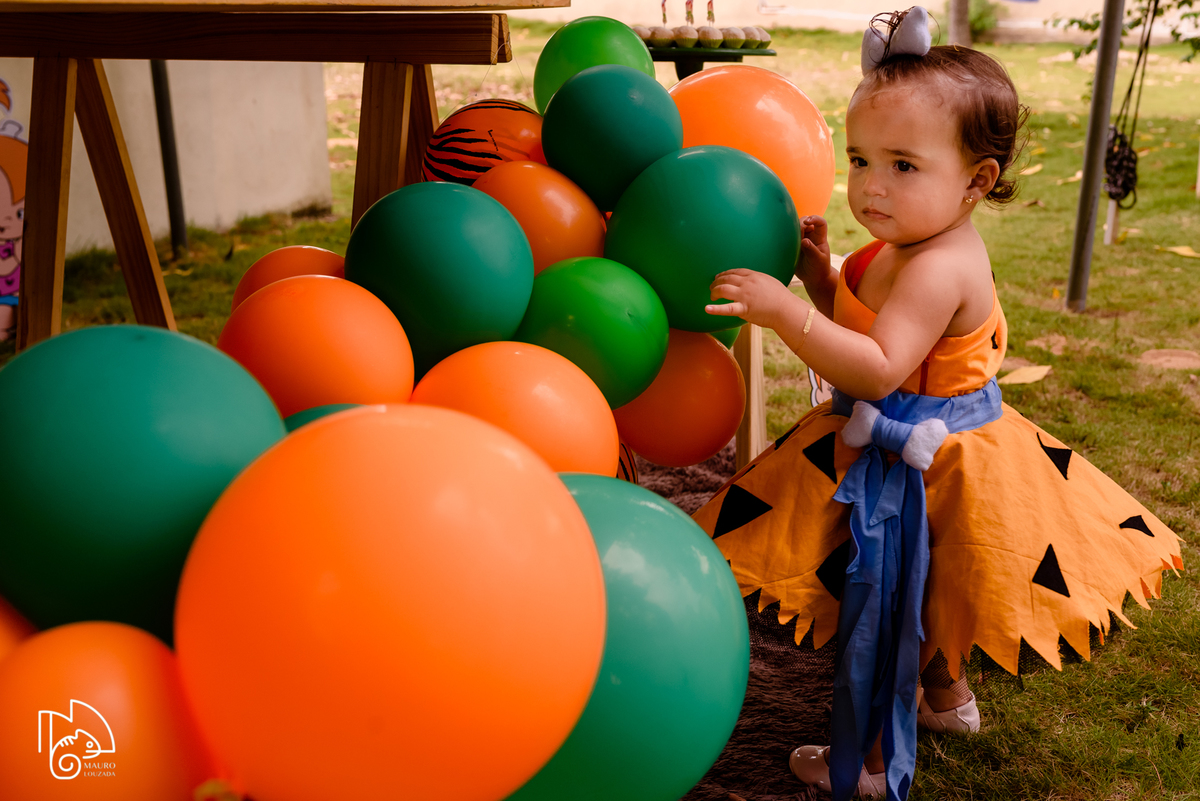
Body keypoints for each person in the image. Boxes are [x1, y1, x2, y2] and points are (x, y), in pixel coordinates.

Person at [696, 7, 1183, 801]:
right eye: (860, 159)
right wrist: (824, 281)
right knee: (934, 590)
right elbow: (867, 321)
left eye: (901, 166)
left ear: (976, 183)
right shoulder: (907, 243)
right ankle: (947, 702)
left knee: (887, 605)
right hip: (914, 443)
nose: (871, 185)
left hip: (935, 457)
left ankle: (873, 765)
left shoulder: (936, 266)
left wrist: (790, 314)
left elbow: (881, 364)